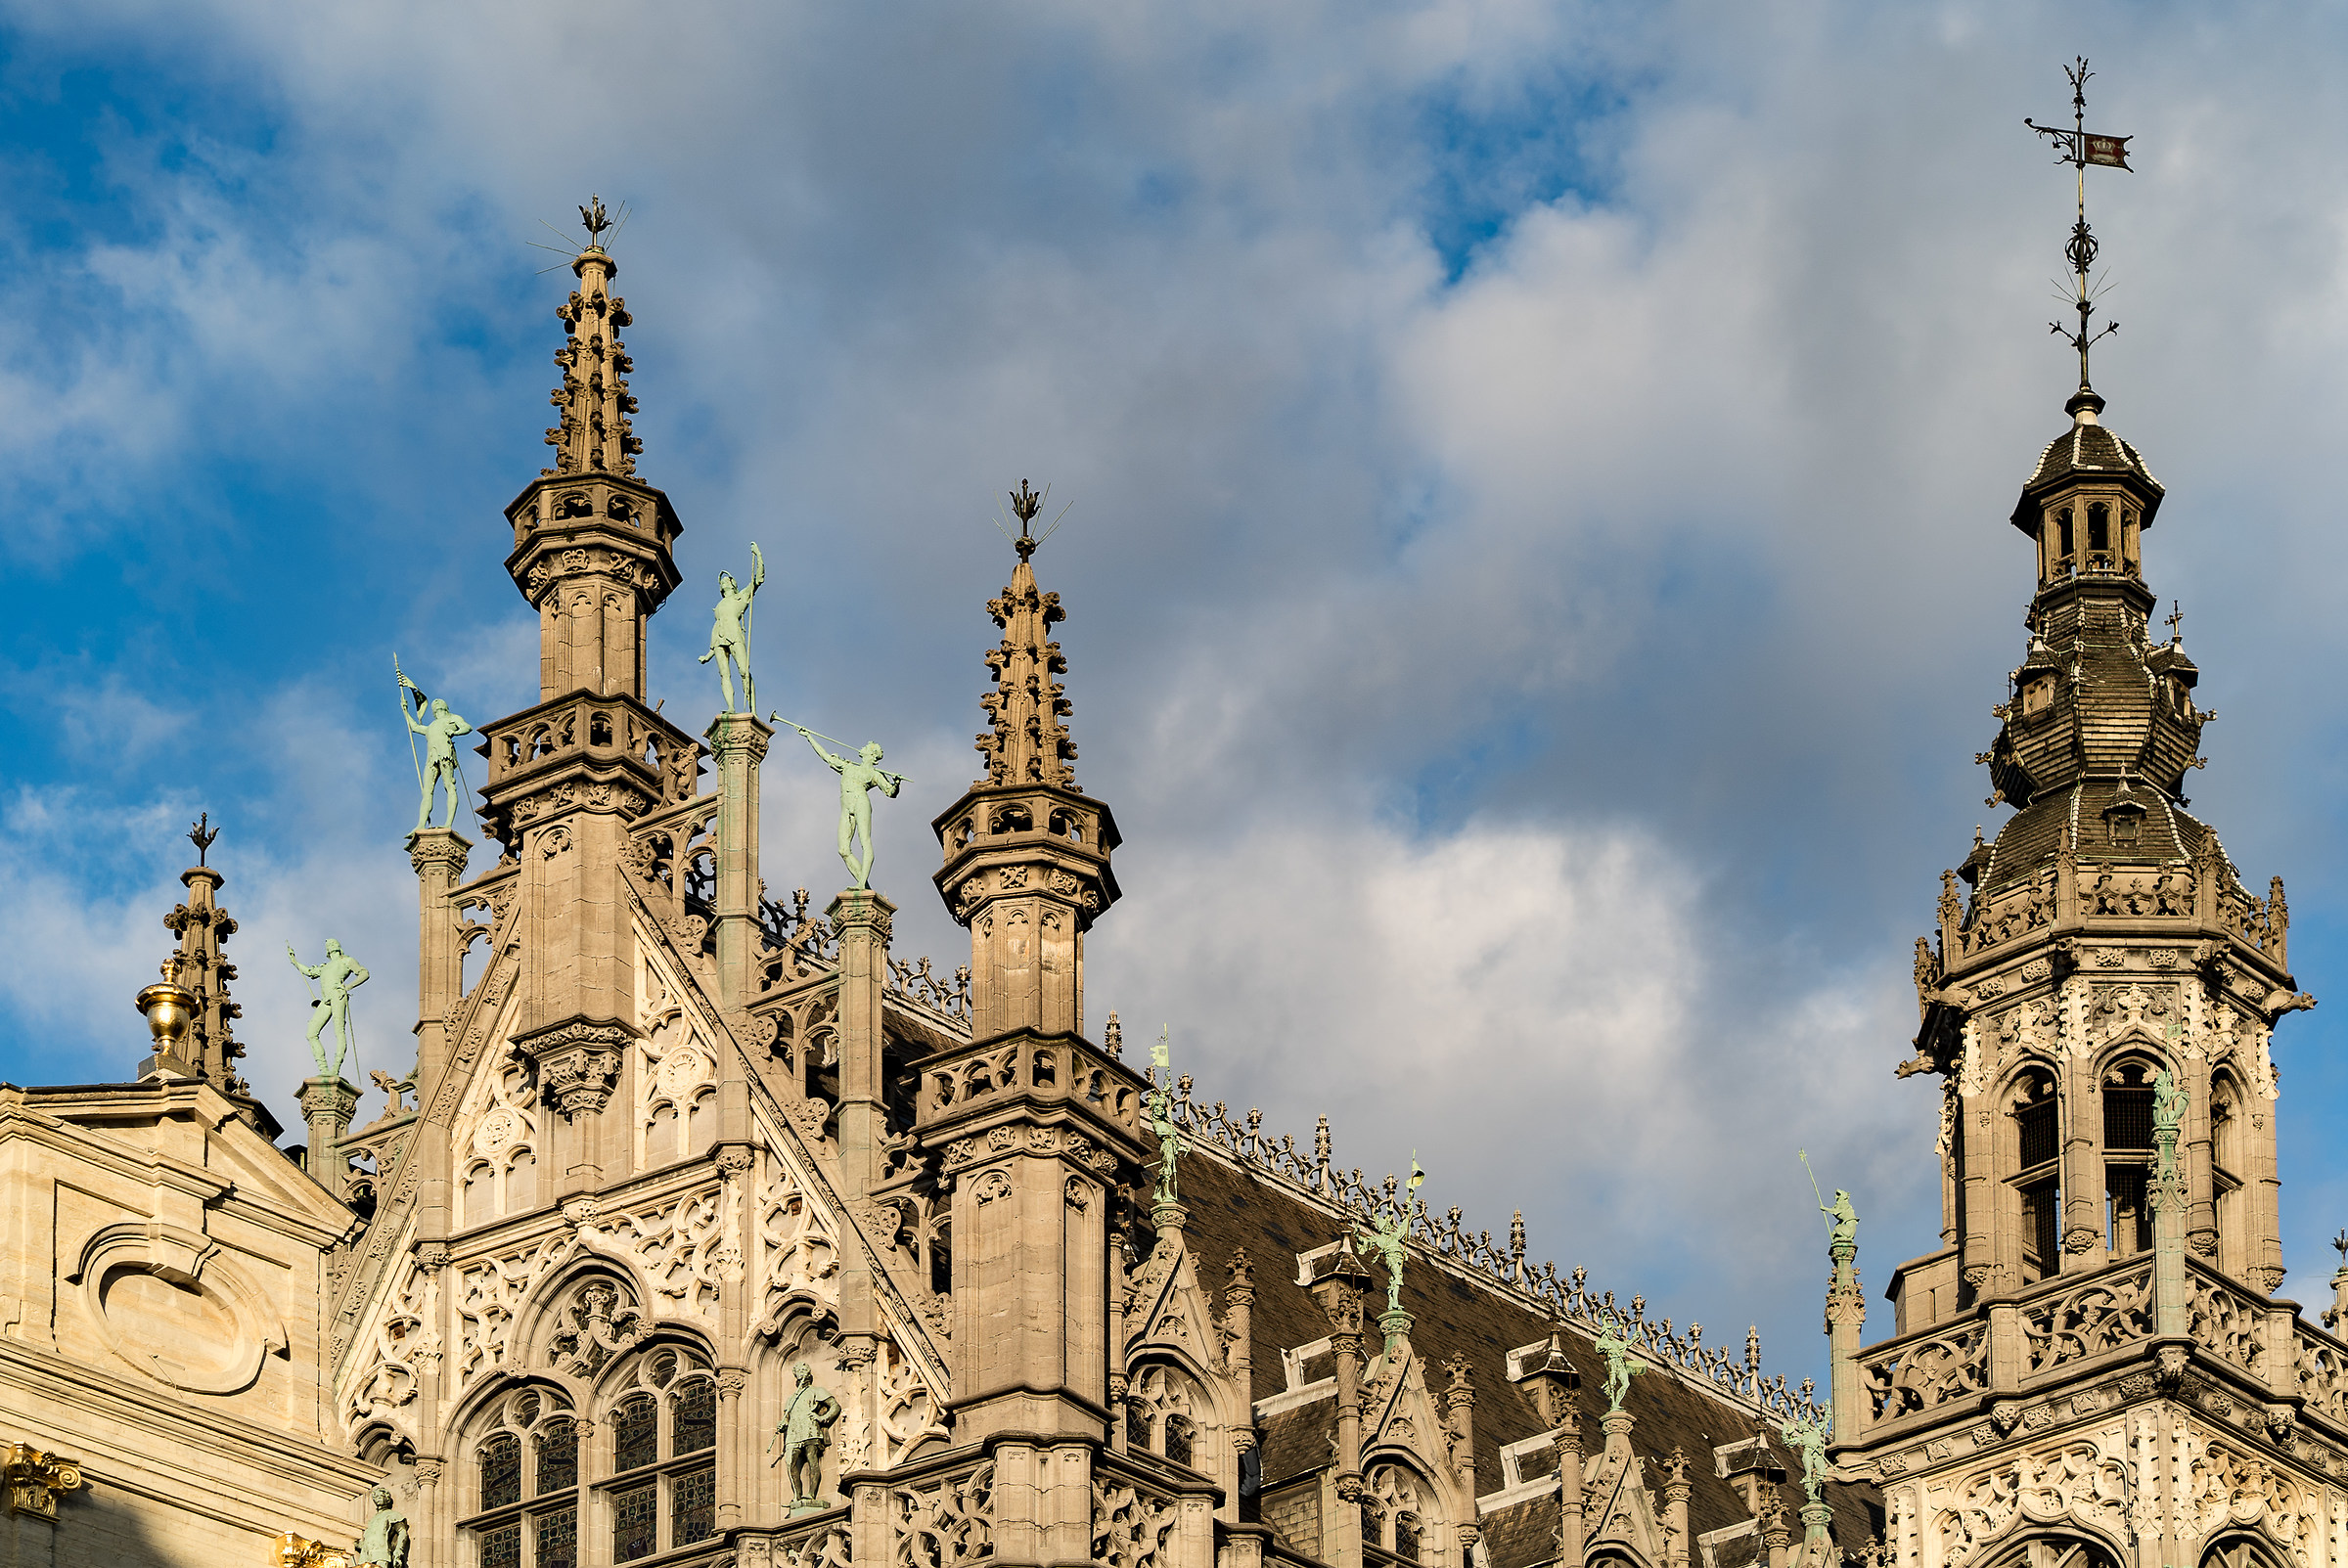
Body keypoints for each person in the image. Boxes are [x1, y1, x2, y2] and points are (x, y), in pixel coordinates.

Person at [794, 727, 903, 889]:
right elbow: (825, 756)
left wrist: (897, 783)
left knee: (865, 841)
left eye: (866, 747)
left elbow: (890, 792)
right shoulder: (848, 766)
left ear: (872, 755)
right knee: (843, 849)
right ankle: (864, 885)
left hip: (861, 802)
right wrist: (809, 737)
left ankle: (861, 883)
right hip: (845, 806)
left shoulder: (876, 774)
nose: (862, 747)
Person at [399, 681, 474, 836]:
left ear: (445, 707)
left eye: (439, 702)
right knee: (427, 791)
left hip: (445, 753)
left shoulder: (453, 718)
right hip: (431, 757)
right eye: (435, 703)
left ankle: (448, 823)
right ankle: (420, 824)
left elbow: (467, 727)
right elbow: (415, 727)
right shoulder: (432, 725)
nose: (436, 702)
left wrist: (455, 732)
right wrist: (405, 711)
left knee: (449, 786)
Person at [289, 940, 370, 1079]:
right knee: (311, 1033)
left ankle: (335, 1068)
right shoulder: (324, 967)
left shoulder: (347, 961)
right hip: (325, 999)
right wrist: (294, 961)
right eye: (329, 944)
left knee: (339, 1030)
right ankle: (324, 1069)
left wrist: (348, 987)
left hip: (337, 994)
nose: (331, 945)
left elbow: (364, 973)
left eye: (334, 943)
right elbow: (309, 972)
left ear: (339, 947)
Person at [700, 545, 765, 713]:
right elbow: (718, 626)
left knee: (744, 671)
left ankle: (753, 710)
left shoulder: (741, 596)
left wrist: (758, 555)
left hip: (735, 634)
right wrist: (708, 655)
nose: (724, 581)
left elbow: (758, 579)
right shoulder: (719, 605)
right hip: (718, 638)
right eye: (722, 581)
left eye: (727, 579)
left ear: (733, 583)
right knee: (724, 674)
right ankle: (730, 707)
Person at [768, 1361, 841, 1508]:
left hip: (810, 1429)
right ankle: (797, 1495)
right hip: (794, 1432)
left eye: (803, 1371)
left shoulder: (817, 1391)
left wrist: (822, 1418)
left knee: (812, 1460)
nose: (800, 1374)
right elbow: (787, 1418)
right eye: (798, 1371)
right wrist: (782, 1425)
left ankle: (811, 1494)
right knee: (790, 1462)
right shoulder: (791, 1399)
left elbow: (835, 1406)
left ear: (808, 1374)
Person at [353, 1486, 409, 1568]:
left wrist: (398, 1551)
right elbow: (371, 1538)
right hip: (366, 1555)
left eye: (380, 1496)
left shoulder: (392, 1515)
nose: (378, 1499)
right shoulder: (372, 1520)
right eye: (376, 1497)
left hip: (381, 1553)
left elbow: (402, 1532)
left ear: (387, 1499)